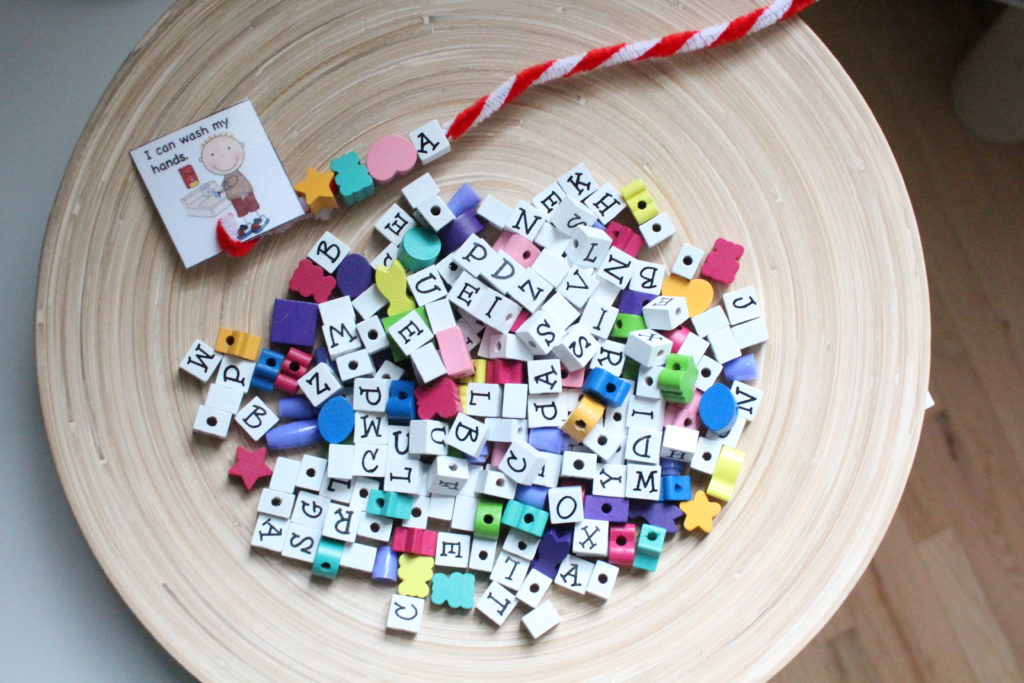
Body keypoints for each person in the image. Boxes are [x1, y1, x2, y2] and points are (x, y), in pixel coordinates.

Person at [199, 133, 267, 235]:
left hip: (245, 191)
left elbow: (231, 184)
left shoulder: (234, 176)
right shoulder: (226, 180)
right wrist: (221, 190)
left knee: (251, 204)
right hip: (234, 196)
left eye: (228, 148)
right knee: (241, 209)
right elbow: (227, 186)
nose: (222, 156)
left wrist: (224, 189)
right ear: (202, 161)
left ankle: (258, 218)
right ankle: (246, 225)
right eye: (212, 155)